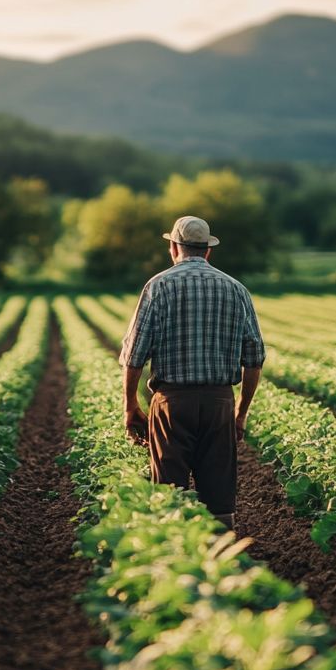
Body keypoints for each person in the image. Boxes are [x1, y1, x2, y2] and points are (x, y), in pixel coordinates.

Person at [118, 215, 266, 530]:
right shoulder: (236, 289)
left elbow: (134, 355)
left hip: (172, 403)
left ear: (174, 248)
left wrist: (131, 404)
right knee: (219, 496)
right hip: (219, 404)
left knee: (169, 493)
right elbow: (254, 358)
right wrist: (240, 412)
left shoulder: (158, 286)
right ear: (207, 250)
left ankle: (176, 560)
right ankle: (223, 563)